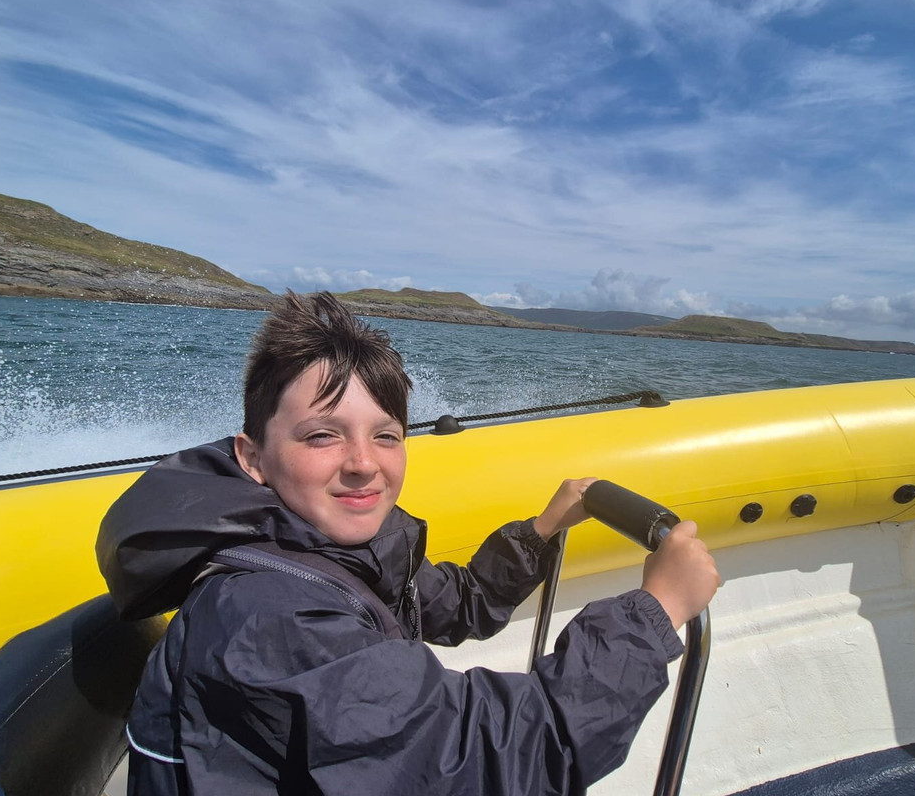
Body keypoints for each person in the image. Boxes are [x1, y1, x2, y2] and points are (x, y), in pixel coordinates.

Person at [96, 291, 719, 795]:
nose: (364, 463)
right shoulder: (270, 619)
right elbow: (492, 764)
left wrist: (541, 531)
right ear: (253, 457)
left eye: (387, 436)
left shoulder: (328, 552)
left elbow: (453, 602)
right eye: (321, 437)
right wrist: (654, 613)